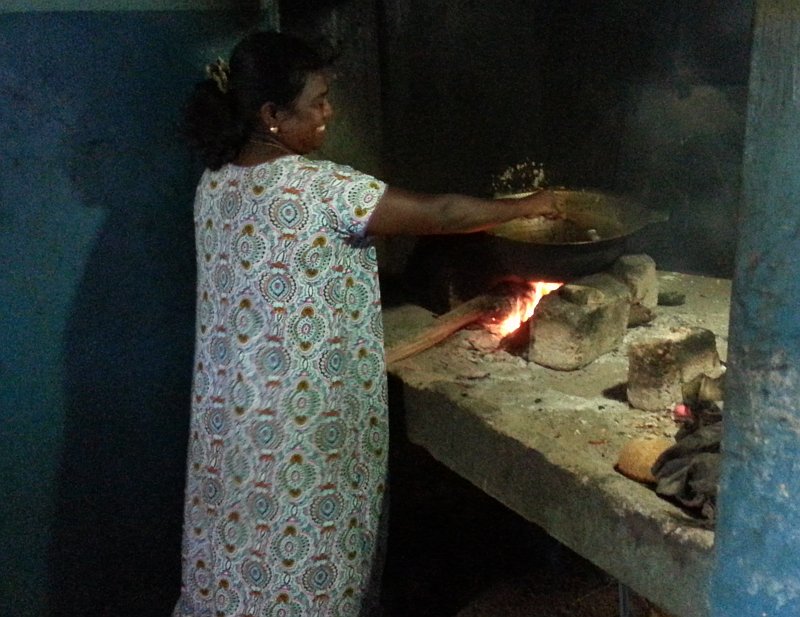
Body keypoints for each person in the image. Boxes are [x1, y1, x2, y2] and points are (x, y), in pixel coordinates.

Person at [173, 30, 560, 617]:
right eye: (319, 101)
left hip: (235, 420)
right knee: (309, 559)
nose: (329, 113)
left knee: (239, 553)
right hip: (306, 426)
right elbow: (442, 213)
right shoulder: (321, 190)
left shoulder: (215, 183)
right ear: (272, 114)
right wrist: (527, 206)